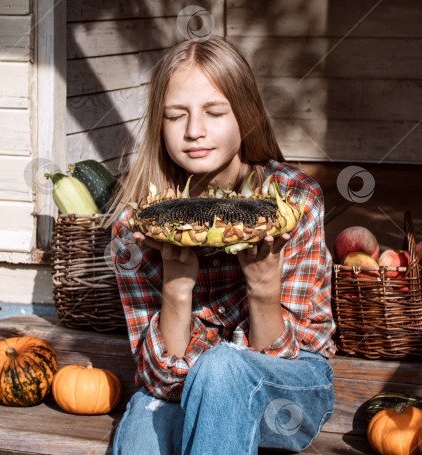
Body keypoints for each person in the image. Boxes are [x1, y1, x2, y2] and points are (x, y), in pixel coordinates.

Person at [105, 35, 335, 455]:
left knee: (223, 367)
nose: (195, 131)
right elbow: (158, 382)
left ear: (245, 116)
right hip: (177, 384)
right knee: (144, 427)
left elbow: (287, 359)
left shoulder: (292, 201)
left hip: (289, 389)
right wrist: (176, 288)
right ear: (159, 123)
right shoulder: (133, 230)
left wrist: (264, 288)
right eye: (176, 116)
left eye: (214, 112)